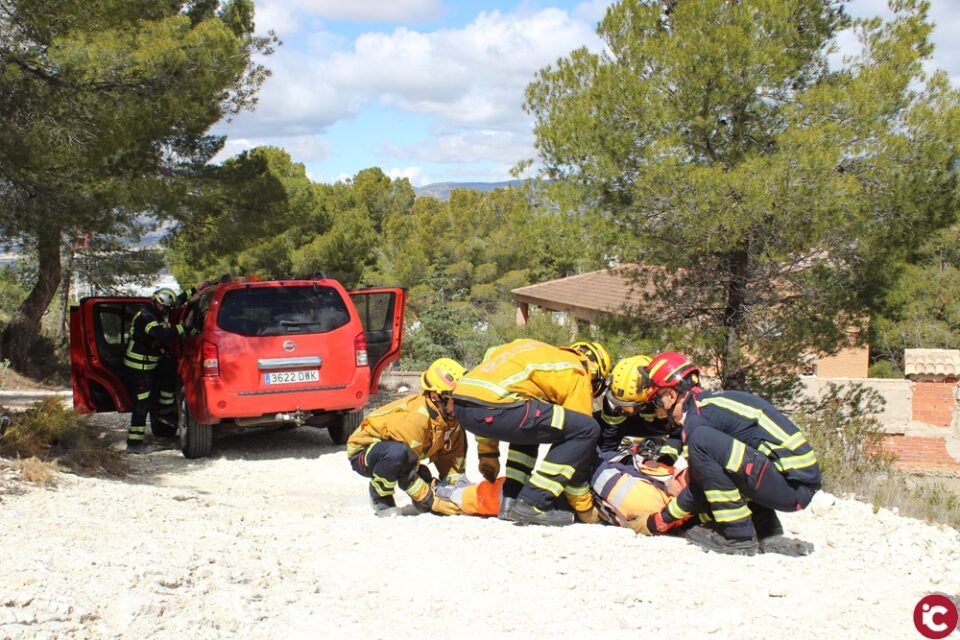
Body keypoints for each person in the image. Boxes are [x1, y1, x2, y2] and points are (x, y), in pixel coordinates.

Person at [629, 351, 821, 556]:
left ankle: (737, 536)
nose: (659, 410)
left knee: (702, 444)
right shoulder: (706, 407)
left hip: (793, 488)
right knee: (723, 462)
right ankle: (766, 530)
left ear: (671, 394)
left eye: (657, 401)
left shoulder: (698, 424)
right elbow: (720, 476)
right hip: (793, 483)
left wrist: (658, 521)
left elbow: (699, 488)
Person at [451, 339, 609, 527]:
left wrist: (488, 453)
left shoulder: (535, 351)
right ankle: (533, 503)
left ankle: (511, 498)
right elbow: (579, 448)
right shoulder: (578, 371)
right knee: (587, 429)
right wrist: (584, 507)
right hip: (495, 410)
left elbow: (485, 394)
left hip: (461, 406)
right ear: (596, 373)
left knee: (534, 421)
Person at [346, 358, 467, 517]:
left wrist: (459, 490)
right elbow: (405, 471)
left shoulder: (450, 419)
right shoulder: (415, 420)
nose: (462, 404)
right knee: (397, 454)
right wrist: (432, 501)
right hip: (364, 453)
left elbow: (451, 460)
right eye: (455, 399)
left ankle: (422, 488)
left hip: (402, 452)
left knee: (414, 468)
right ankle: (380, 497)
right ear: (436, 396)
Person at [123, 287, 185, 451]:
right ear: (155, 301)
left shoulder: (155, 312)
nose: (164, 309)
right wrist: (182, 328)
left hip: (149, 364)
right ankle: (134, 443)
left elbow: (177, 301)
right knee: (142, 404)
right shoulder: (147, 316)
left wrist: (195, 290)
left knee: (170, 367)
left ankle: (165, 408)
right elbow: (160, 334)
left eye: (166, 307)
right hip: (139, 368)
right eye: (162, 306)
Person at [597, 355, 678, 463]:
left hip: (661, 427)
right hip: (635, 425)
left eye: (627, 406)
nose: (621, 410)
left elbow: (681, 433)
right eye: (618, 404)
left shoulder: (667, 398)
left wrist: (666, 460)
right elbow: (610, 436)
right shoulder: (614, 397)